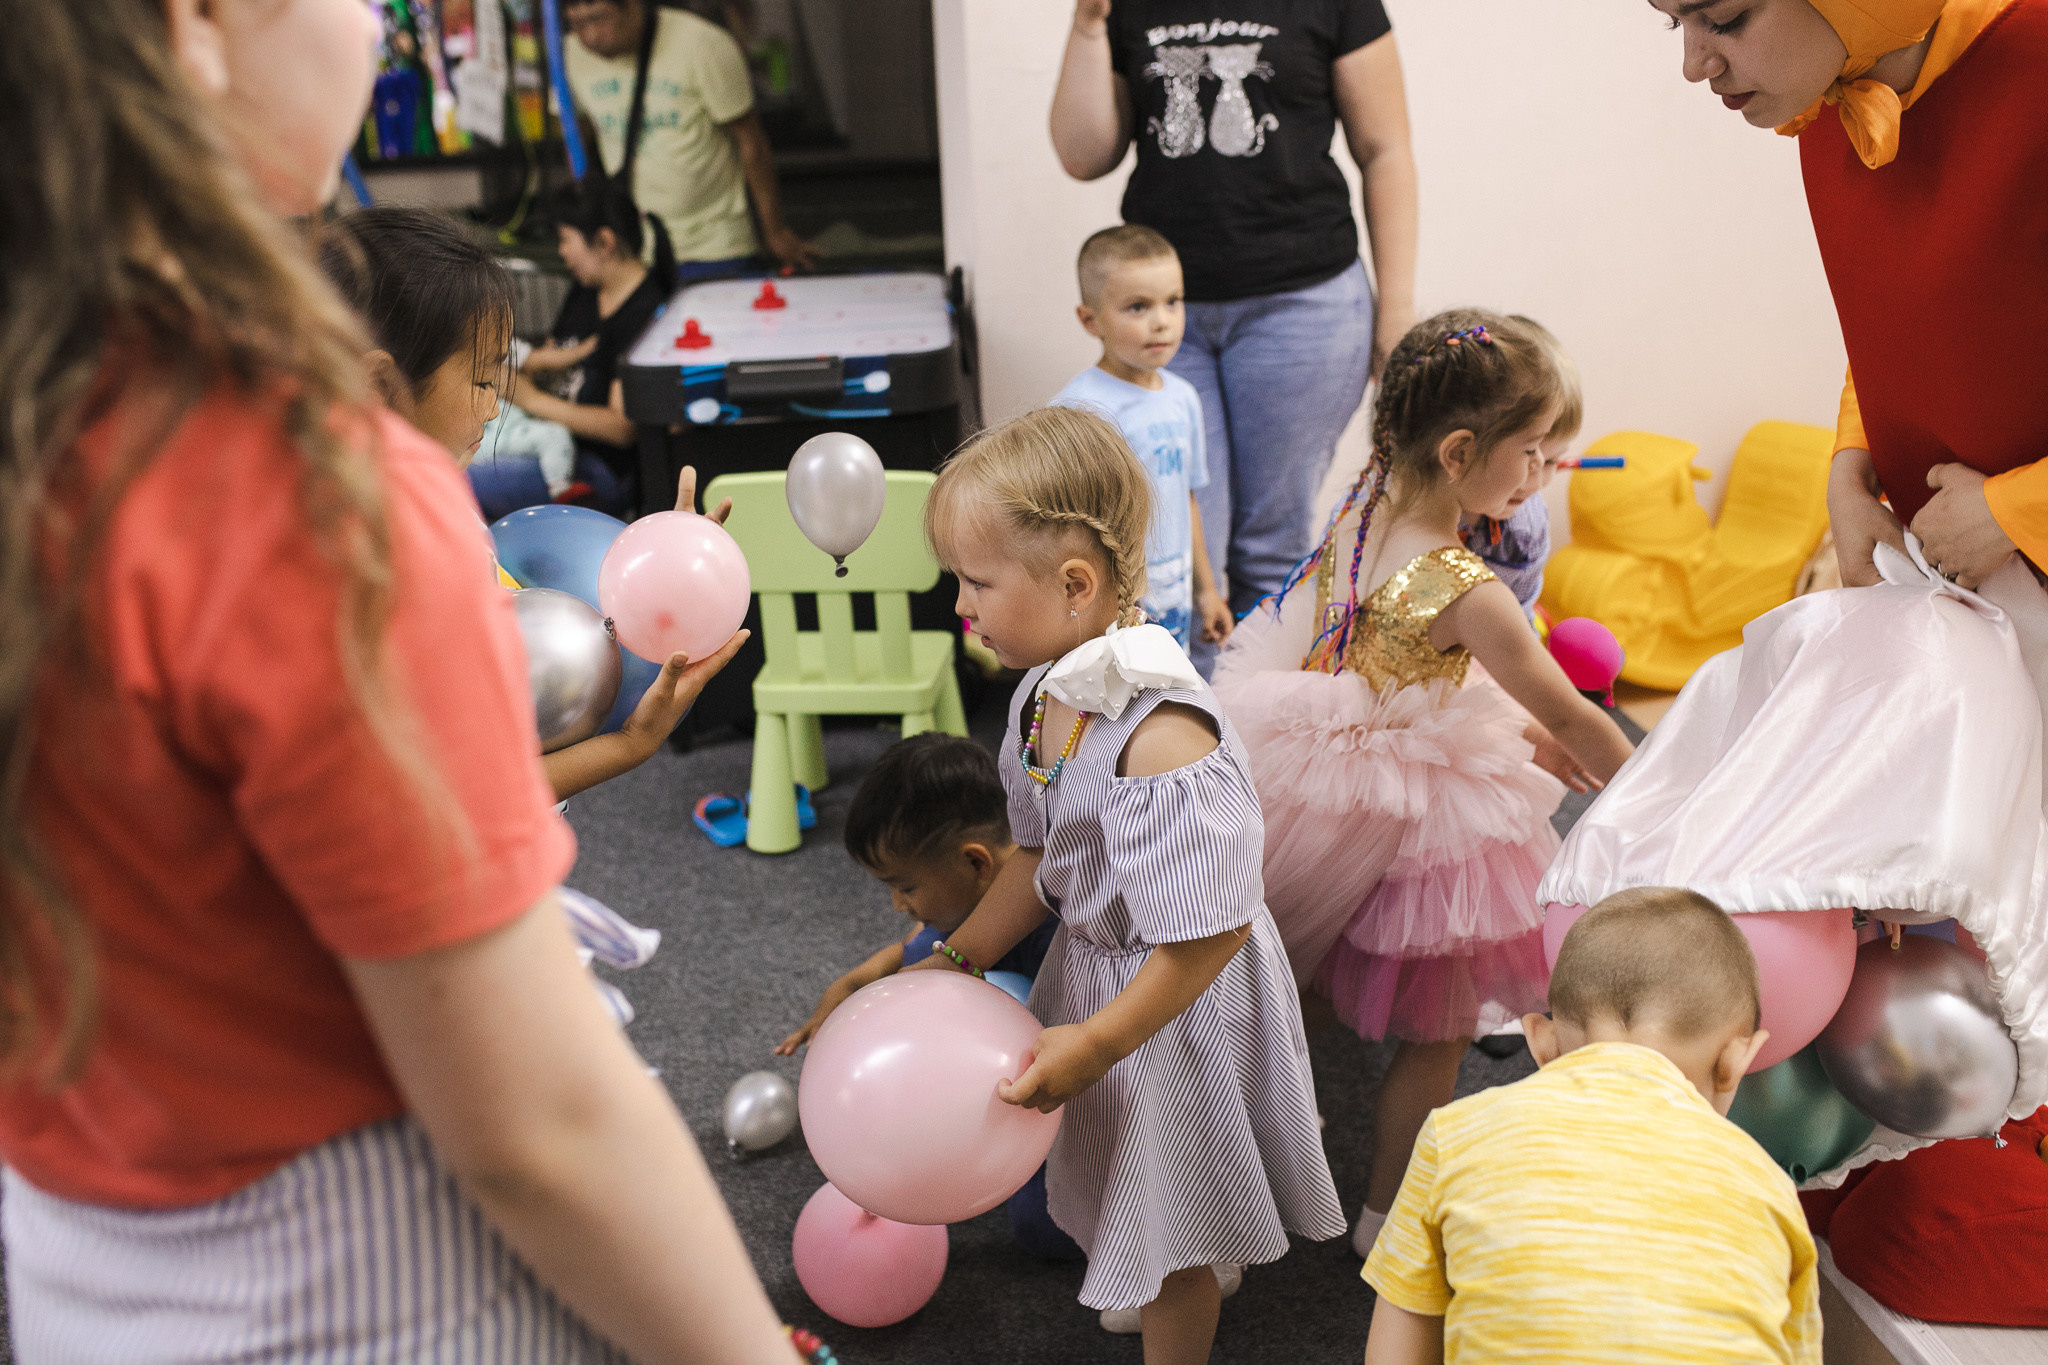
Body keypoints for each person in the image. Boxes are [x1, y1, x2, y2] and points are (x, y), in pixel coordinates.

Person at [0, 3, 797, 1359]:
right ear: (196, 29)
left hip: (84, 1270)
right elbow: (536, 1126)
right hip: (366, 1286)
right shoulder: (320, 496)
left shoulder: (58, 417)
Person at [910, 405, 1347, 1361]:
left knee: (1179, 1225)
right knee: (1125, 1174)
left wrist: (1102, 1039)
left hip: (1175, 1002)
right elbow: (1037, 853)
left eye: (976, 582)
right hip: (1107, 972)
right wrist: (958, 955)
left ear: (1075, 584)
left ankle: (1177, 1306)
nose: (961, 606)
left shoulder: (1159, 740)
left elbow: (1207, 935)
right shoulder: (1041, 696)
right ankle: (1148, 1264)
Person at [1212, 310, 1634, 1252]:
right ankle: (1385, 1220)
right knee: (1437, 1025)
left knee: (1303, 977)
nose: (1540, 478)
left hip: (1322, 771)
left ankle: (1240, 1155)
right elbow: (1571, 713)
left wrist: (1516, 727)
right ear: (1458, 451)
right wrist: (1655, 792)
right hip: (1409, 804)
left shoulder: (1364, 509)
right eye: (1531, 454)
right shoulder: (1463, 584)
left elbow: (1379, 655)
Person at [317, 205, 735, 804]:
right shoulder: (390, 564)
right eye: (485, 381)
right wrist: (628, 746)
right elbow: (458, 799)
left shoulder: (412, 505)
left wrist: (663, 573)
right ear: (382, 386)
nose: (493, 409)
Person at [1050, 0, 1420, 673]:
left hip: (1304, 305)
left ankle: (1253, 745)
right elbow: (1083, 155)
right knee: (1167, 555)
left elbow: (1386, 149)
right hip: (1160, 316)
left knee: (1271, 546)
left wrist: (1394, 311)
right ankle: (1178, 745)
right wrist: (1088, 26)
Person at [1361, 888, 1820, 1365]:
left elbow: (1399, 1343)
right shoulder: (1767, 1187)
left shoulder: (1454, 1134)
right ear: (1735, 1060)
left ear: (1542, 1043)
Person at [775, 732, 1056, 1055]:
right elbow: (914, 947)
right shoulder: (962, 898)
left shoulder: (1057, 936)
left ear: (975, 863)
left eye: (905, 887)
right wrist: (855, 983)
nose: (897, 905)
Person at [1052, 225, 1231, 652]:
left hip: (1173, 600)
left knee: (1164, 702)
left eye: (1173, 302)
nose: (1161, 321)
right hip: (1111, 609)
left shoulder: (1184, 398)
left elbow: (1187, 499)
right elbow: (1067, 520)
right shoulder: (1079, 408)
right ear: (1090, 320)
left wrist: (1206, 591)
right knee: (1114, 712)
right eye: (1138, 307)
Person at [562, 0, 816, 277]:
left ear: (633, 5)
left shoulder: (702, 44)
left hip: (715, 246)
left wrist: (774, 231)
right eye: (577, 23)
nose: (590, 36)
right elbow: (578, 134)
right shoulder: (570, 52)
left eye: (598, 19)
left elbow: (751, 142)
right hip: (634, 250)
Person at [499, 175, 678, 516]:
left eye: (566, 239)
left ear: (605, 242)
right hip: (546, 439)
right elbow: (552, 356)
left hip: (599, 470)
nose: (562, 252)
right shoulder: (585, 290)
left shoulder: (648, 311)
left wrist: (532, 400)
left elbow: (622, 428)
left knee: (460, 477)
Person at [1460, 318, 1581, 619]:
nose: (1536, 479)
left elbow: (1520, 618)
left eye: (1551, 461)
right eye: (1528, 454)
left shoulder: (1529, 528)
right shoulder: (1406, 514)